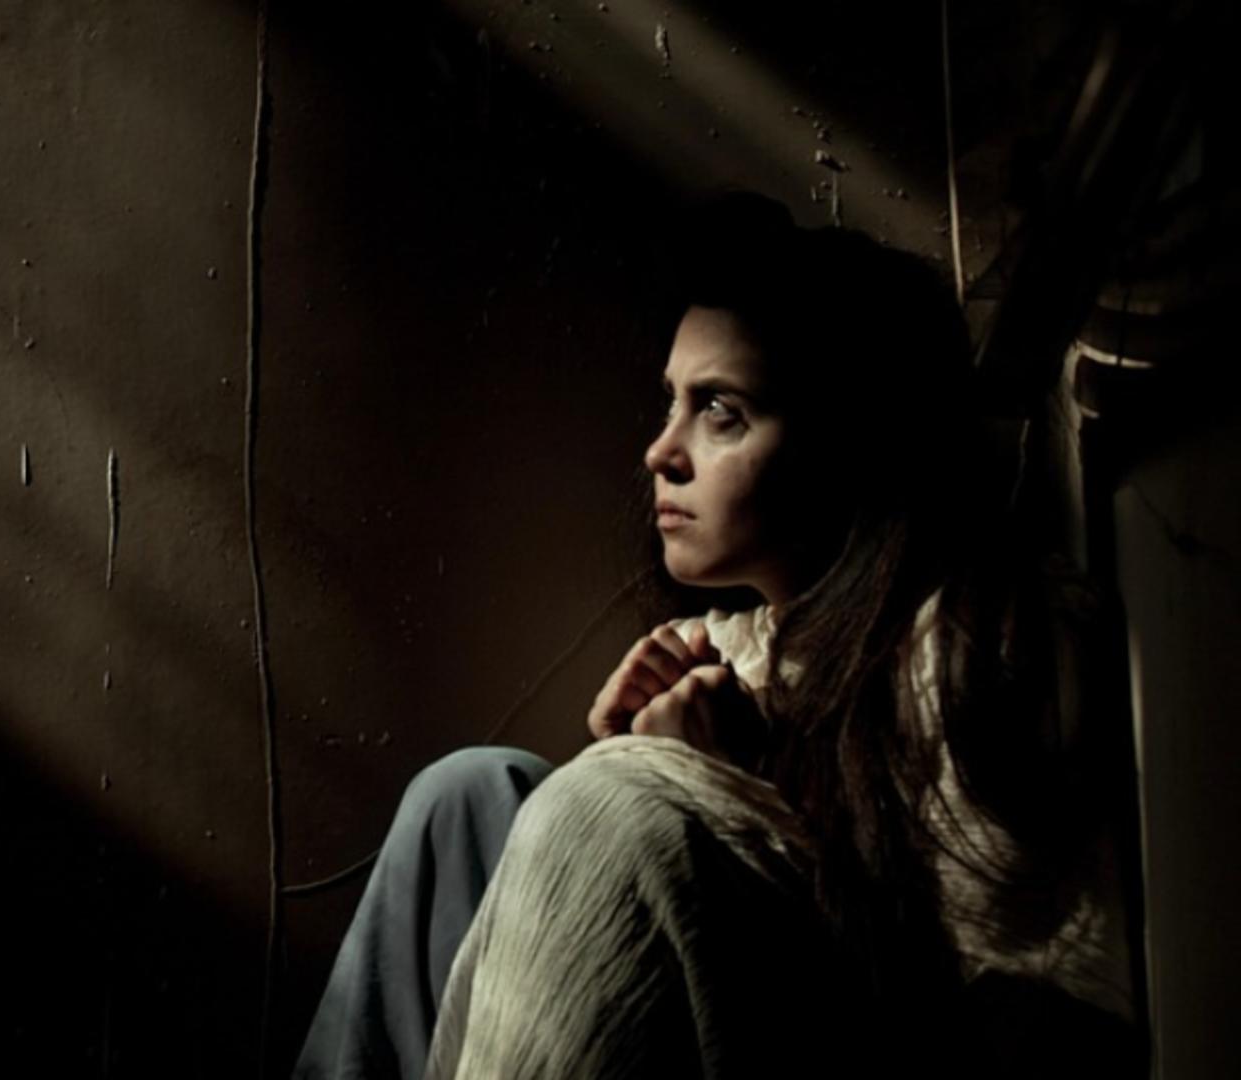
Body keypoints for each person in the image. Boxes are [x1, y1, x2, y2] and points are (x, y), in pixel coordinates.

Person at [293, 193, 1138, 1079]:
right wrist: (633, 761)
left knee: (616, 804)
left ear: (845, 439)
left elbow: (1030, 1021)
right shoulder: (728, 649)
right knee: (470, 793)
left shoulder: (972, 638)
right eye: (671, 404)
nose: (661, 452)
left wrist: (709, 793)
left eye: (722, 412)